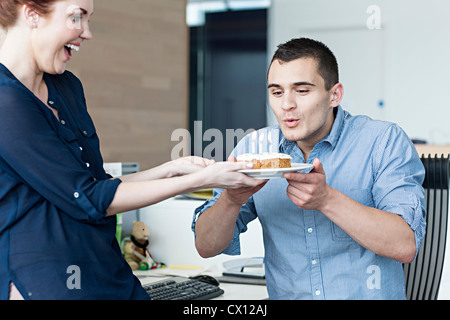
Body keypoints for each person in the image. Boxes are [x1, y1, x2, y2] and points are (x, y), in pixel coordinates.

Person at [0, 0, 265, 300]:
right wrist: (200, 180)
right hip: (49, 282)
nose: (86, 32)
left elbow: (98, 186)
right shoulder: (6, 102)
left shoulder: (66, 88)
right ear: (32, 15)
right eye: (77, 17)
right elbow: (87, 198)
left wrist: (170, 170)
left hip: (105, 270)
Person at [192, 38, 426, 299]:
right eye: (277, 92)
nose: (286, 105)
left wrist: (327, 200)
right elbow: (206, 246)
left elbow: (405, 245)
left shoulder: (383, 141)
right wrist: (231, 200)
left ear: (334, 95)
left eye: (302, 91)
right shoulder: (253, 149)